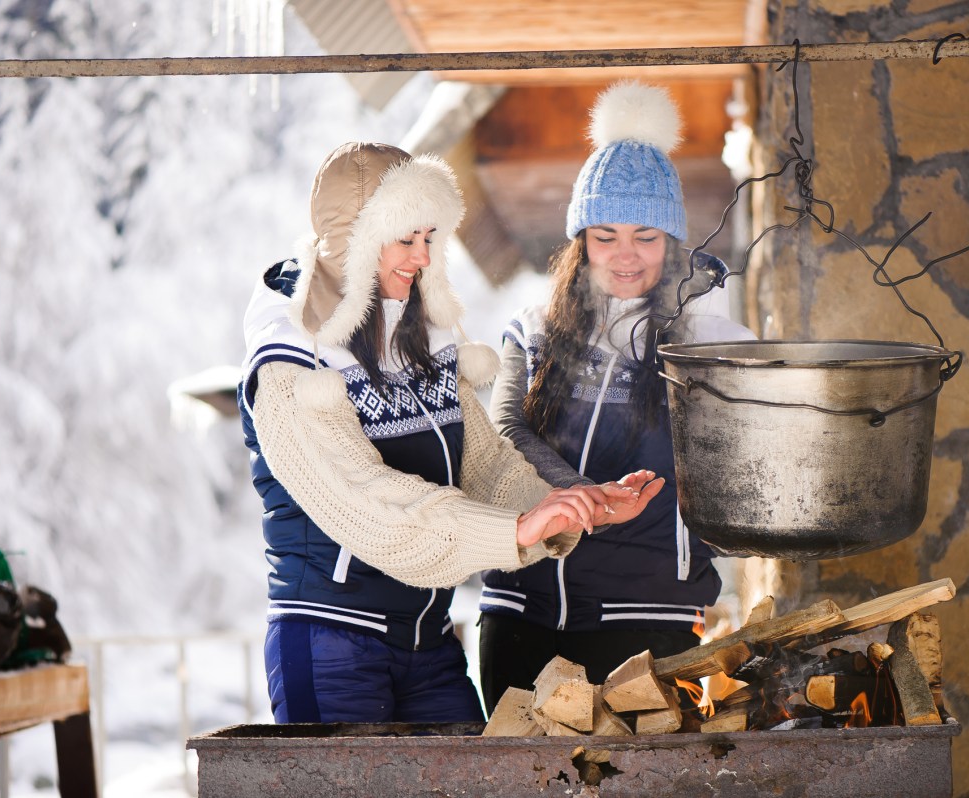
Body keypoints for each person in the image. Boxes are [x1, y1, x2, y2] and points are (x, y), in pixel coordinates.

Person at [237, 142, 663, 724]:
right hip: (332, 642)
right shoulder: (292, 364)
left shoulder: (418, 341)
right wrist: (515, 530)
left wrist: (564, 507)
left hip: (429, 640)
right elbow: (368, 502)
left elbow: (486, 464)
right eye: (403, 239)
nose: (420, 257)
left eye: (428, 239)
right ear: (353, 240)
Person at [478, 82, 757, 713]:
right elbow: (504, 433)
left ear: (673, 239)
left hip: (648, 614)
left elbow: (746, 470)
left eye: (645, 236)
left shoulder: (712, 343)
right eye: (604, 235)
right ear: (579, 242)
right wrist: (585, 498)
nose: (624, 256)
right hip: (522, 611)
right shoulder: (534, 328)